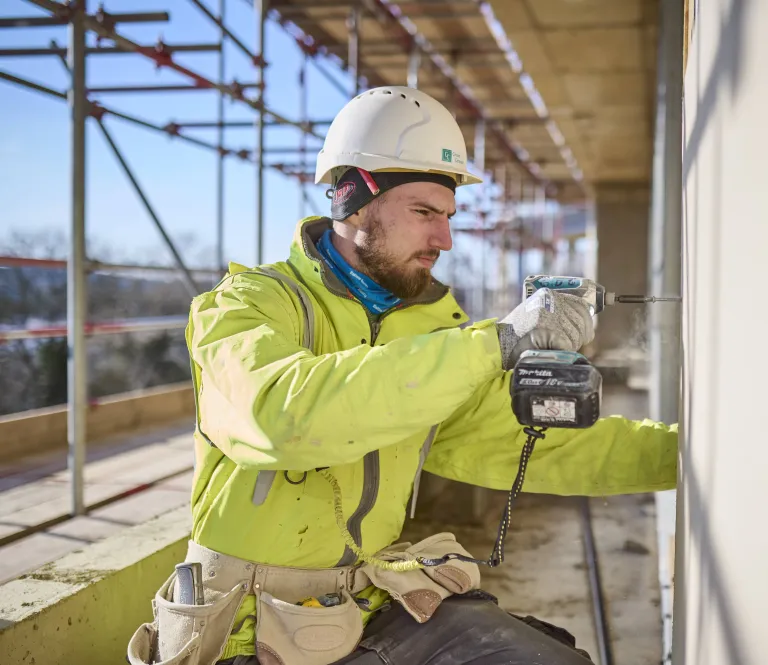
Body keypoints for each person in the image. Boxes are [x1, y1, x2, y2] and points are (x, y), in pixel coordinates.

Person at [126, 86, 677, 665]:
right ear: (352, 201)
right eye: (423, 213)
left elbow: (515, 441)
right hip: (243, 626)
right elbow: (281, 417)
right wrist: (500, 342)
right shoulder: (247, 305)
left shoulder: (431, 331)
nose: (443, 239)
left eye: (447, 217)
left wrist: (687, 458)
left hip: (366, 604)